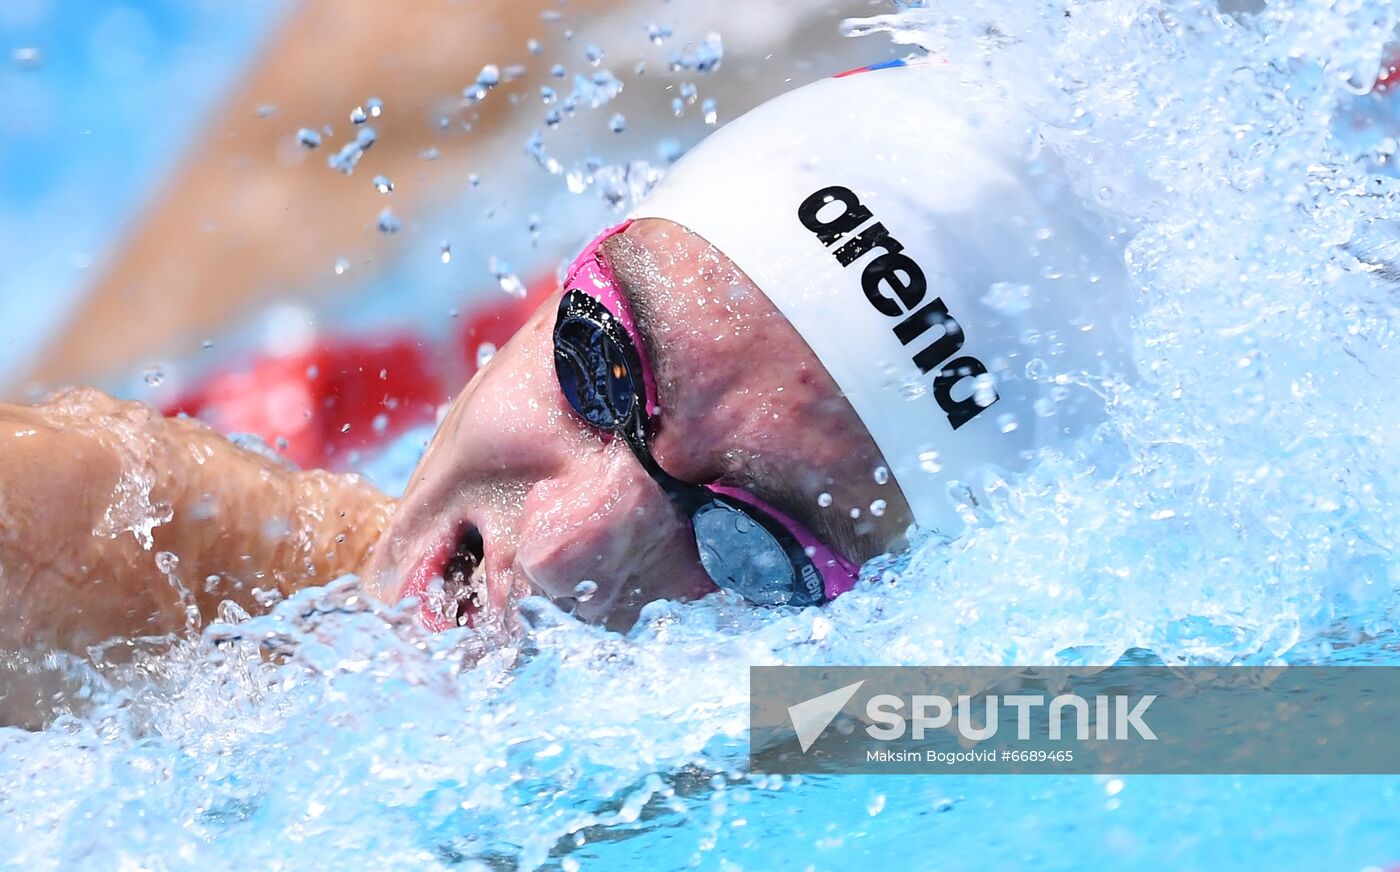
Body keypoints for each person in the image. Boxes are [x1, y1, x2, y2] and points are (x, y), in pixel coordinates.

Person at [0, 62, 1132, 656]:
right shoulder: (136, 548)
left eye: (749, 547)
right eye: (595, 367)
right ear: (551, 293)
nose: (560, 553)